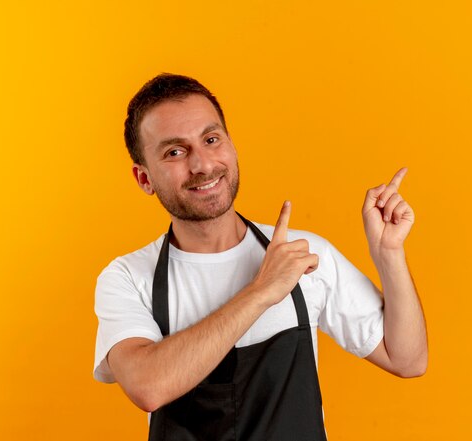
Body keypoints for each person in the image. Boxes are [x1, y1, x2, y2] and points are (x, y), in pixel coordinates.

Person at [93, 73, 428, 440]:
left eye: (211, 139)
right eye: (175, 151)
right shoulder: (127, 277)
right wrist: (262, 290)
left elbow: (408, 359)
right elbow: (148, 388)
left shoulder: (303, 254)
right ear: (145, 179)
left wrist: (388, 254)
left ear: (232, 146)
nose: (202, 164)